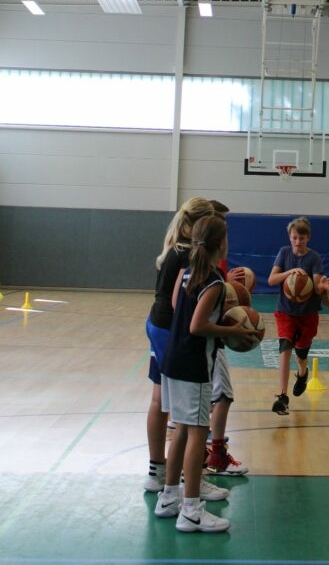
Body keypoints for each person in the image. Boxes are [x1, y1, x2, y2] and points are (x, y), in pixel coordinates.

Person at [154, 211, 244, 533]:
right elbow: (197, 326)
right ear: (222, 244)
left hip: (171, 359)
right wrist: (233, 331)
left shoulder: (187, 272)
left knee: (181, 429)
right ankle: (191, 510)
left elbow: (177, 308)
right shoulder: (215, 281)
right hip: (193, 365)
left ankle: (169, 498)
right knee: (196, 434)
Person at [144, 197, 214, 493]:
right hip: (169, 329)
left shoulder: (176, 246)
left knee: (160, 400)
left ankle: (157, 471)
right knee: (186, 409)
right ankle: (187, 478)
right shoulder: (190, 254)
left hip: (157, 324)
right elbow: (179, 301)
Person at [204, 200, 248, 477]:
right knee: (223, 395)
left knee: (203, 398)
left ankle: (200, 454)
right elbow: (200, 319)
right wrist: (233, 329)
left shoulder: (197, 261)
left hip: (194, 342)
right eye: (221, 221)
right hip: (209, 341)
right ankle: (216, 455)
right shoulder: (209, 271)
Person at [267, 217, 324, 416]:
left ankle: (302, 373)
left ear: (308, 238)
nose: (298, 241)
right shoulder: (284, 253)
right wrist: (291, 272)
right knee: (285, 348)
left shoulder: (314, 258)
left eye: (301, 238)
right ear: (289, 237)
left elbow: (317, 287)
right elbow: (272, 279)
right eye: (294, 237)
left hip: (308, 313)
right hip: (285, 311)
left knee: (301, 354)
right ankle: (282, 396)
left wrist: (324, 286)